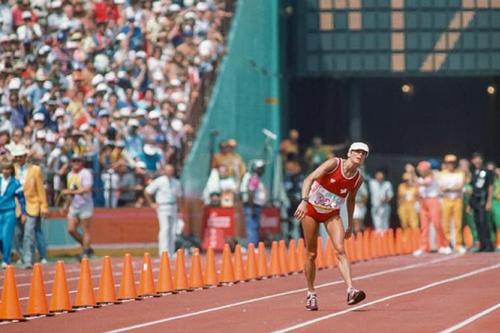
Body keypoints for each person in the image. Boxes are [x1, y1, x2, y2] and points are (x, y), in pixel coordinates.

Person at [294, 142, 369, 311]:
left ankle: (351, 290)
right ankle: (311, 293)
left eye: (363, 153)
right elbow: (309, 178)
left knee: (341, 250)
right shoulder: (334, 163)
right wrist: (304, 201)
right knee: (312, 254)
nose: (360, 155)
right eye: (357, 151)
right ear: (349, 153)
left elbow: (350, 199)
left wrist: (349, 223)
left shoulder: (358, 178)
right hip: (311, 210)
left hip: (332, 213)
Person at [12, 145, 48, 268]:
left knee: (29, 233)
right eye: (17, 157)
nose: (19, 159)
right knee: (17, 234)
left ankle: (28, 260)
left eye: (21, 157)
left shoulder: (35, 170)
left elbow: (40, 189)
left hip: (32, 204)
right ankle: (23, 256)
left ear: (25, 157)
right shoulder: (12, 169)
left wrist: (43, 206)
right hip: (16, 205)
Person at [144, 164, 183, 256]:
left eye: (171, 170)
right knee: (165, 229)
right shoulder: (159, 181)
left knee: (173, 230)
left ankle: (171, 251)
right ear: (164, 171)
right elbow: (147, 191)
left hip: (173, 206)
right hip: (162, 206)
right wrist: (151, 203)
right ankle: (163, 252)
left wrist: (180, 209)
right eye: (168, 170)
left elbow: (179, 197)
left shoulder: (176, 182)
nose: (170, 172)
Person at [413, 161, 450, 256]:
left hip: (433, 201)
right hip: (424, 202)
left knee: (437, 224)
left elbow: (426, 183)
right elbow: (418, 188)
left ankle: (444, 245)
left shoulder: (432, 176)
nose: (420, 172)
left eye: (422, 170)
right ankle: (423, 247)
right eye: (420, 170)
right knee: (424, 226)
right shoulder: (420, 179)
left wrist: (415, 180)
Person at [62, 154, 94, 259]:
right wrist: (66, 205)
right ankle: (87, 247)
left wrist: (70, 191)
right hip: (74, 205)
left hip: (85, 205)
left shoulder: (86, 173)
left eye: (78, 161)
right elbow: (70, 193)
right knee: (71, 229)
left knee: (85, 229)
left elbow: (87, 189)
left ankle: (85, 251)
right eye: (74, 161)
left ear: (82, 162)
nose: (76, 163)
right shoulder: (70, 175)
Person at [0, 161, 26, 268]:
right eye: (3, 169)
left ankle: (6, 260)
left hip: (9, 212)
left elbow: (21, 199)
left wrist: (24, 212)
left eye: (7, 169)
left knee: (6, 236)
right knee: (0, 237)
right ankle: (5, 255)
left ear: (11, 170)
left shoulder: (16, 183)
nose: (5, 171)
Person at [438, 154, 466, 253]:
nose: (450, 165)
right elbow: (441, 187)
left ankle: (458, 244)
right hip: (446, 200)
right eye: (448, 163)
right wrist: (452, 188)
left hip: (457, 199)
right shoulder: (442, 174)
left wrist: (449, 188)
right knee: (445, 223)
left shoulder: (460, 173)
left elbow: (460, 186)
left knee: (458, 223)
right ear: (445, 164)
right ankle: (447, 244)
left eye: (452, 163)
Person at [469, 152, 494, 252]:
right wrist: (470, 204)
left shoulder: (486, 171)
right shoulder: (474, 172)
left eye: (479, 158)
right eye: (475, 159)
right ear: (472, 161)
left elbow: (490, 187)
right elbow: (473, 188)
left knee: (484, 222)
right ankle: (482, 244)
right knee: (477, 222)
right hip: (475, 201)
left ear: (482, 160)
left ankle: (488, 245)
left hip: (483, 200)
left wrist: (489, 201)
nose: (477, 160)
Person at [240, 160, 267, 246]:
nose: (263, 171)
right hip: (253, 206)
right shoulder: (254, 178)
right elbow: (251, 192)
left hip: (255, 206)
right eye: (261, 169)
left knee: (254, 226)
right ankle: (251, 246)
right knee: (252, 226)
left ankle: (252, 245)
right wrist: (251, 208)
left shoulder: (256, 178)